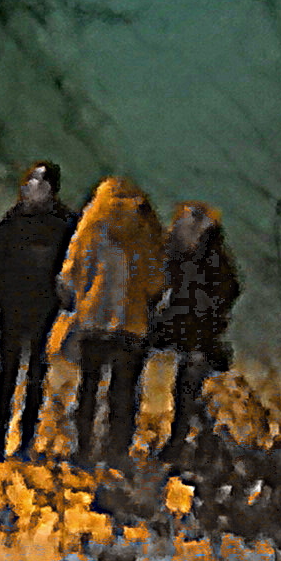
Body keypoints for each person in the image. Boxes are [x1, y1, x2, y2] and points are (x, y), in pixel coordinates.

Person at [61, 170, 168, 458]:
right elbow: (156, 281)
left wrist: (84, 297)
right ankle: (116, 452)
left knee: (88, 390)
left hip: (94, 320)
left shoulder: (92, 226)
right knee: (123, 393)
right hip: (131, 324)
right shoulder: (146, 231)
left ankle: (83, 449)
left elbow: (71, 272)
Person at [0, 164, 73, 456]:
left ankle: (26, 439)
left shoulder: (64, 222)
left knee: (36, 375)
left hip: (44, 309)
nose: (29, 189)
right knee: (6, 374)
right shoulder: (13, 219)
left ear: (50, 189)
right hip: (12, 306)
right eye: (29, 183)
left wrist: (65, 297)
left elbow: (73, 264)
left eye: (37, 183)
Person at [151, 198, 242, 445]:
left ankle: (183, 442)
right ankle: (186, 440)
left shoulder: (204, 257)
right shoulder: (183, 253)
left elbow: (227, 289)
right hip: (186, 327)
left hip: (197, 332)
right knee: (186, 389)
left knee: (188, 389)